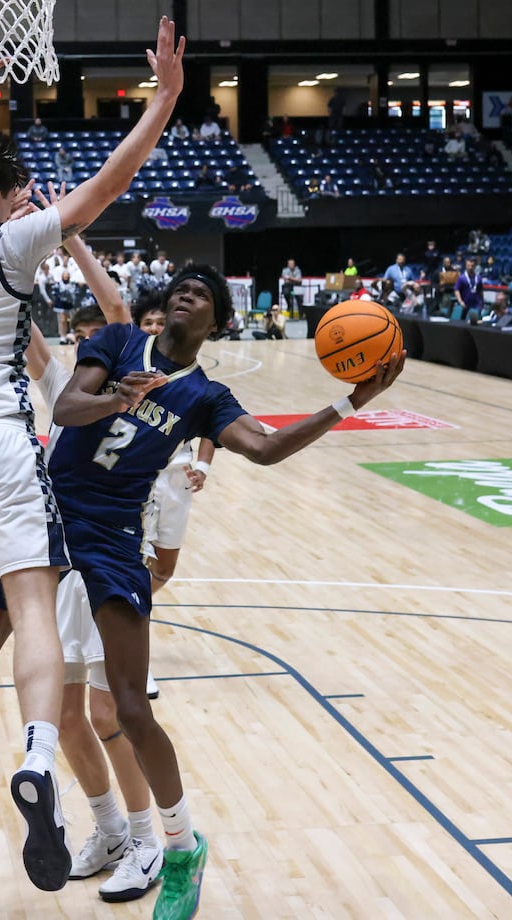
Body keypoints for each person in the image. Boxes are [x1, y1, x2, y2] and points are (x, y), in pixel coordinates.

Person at [0, 17, 185, 895]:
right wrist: (163, 98)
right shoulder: (10, 241)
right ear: (4, 197)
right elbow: (105, 184)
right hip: (0, 444)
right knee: (29, 609)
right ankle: (36, 758)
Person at [48, 263, 404, 920]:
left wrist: (351, 402)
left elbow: (265, 449)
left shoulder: (206, 397)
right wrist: (117, 398)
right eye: (180, 288)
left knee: (128, 709)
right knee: (60, 712)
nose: (186, 296)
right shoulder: (121, 342)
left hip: (111, 540)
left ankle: (180, 848)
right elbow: (66, 408)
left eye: (201, 295)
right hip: (47, 527)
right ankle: (111, 831)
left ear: (218, 320)